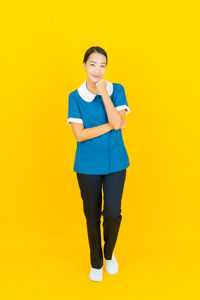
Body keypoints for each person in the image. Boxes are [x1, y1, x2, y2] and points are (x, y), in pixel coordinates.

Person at [67, 46, 131, 281]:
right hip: (87, 166)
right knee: (91, 214)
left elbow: (117, 119)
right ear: (84, 65)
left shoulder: (116, 90)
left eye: (102, 65)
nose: (97, 70)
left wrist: (104, 94)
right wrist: (112, 126)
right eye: (92, 64)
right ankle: (96, 262)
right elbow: (80, 135)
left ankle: (109, 254)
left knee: (113, 213)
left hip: (116, 163)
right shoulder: (75, 97)